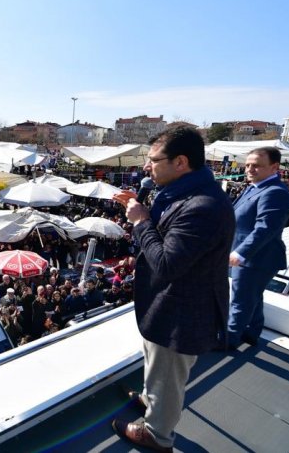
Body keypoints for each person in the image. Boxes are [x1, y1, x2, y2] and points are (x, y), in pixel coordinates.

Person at [111, 126, 235, 452]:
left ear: (181, 162)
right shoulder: (183, 193)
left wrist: (140, 222)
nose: (147, 167)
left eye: (154, 160)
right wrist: (143, 212)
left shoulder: (203, 206)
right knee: (158, 369)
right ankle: (151, 400)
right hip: (173, 305)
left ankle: (157, 434)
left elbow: (167, 265)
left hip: (182, 313)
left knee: (168, 376)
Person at [227, 147, 289, 348]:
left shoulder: (275, 192)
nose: (249, 169)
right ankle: (252, 332)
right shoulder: (255, 187)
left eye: (256, 165)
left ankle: (228, 340)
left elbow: (265, 228)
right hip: (252, 256)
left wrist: (241, 252)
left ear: (274, 167)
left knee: (240, 299)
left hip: (256, 258)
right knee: (251, 295)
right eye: (247, 165)